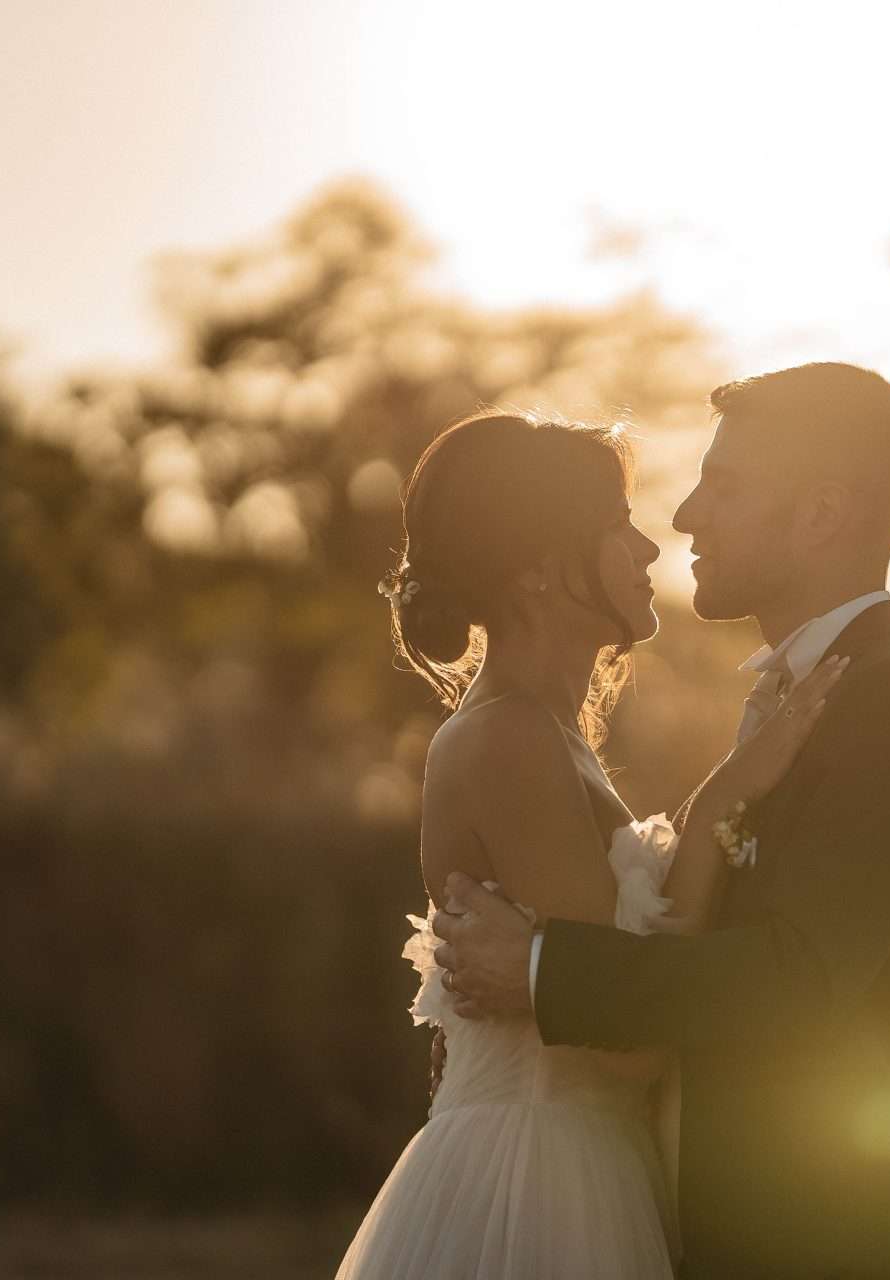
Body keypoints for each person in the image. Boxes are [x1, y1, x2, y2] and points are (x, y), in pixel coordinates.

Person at [433, 363, 890, 1279]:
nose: (685, 517)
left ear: (820, 515)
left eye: (723, 485)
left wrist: (539, 968)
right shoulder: (793, 701)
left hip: (835, 1249)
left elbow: (797, 976)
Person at [334, 407, 845, 1279]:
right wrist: (727, 793)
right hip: (536, 1181)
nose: (651, 551)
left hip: (576, 1158)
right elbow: (627, 1042)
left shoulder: (548, 734)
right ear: (536, 569)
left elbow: (603, 975)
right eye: (618, 527)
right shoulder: (509, 740)